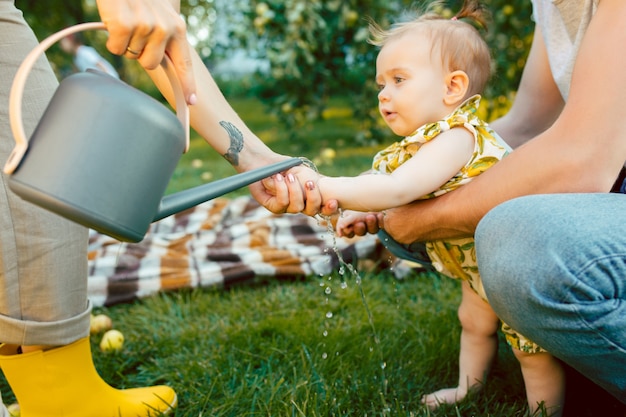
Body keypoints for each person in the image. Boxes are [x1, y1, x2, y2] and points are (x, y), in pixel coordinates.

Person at [332, 0, 626, 407]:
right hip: (475, 259)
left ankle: (546, 407)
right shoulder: (550, 7)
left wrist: (328, 185)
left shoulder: (456, 136)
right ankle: (469, 387)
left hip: (594, 193)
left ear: (453, 87)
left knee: (530, 350)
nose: (385, 94)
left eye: (399, 79)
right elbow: (525, 125)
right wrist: (373, 205)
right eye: (382, 84)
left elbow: (400, 189)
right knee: (471, 319)